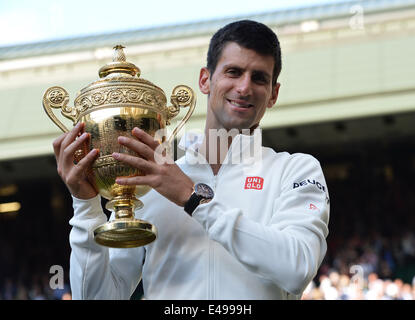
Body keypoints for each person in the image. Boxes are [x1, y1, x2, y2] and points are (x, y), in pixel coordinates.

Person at [53, 20, 330, 299]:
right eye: (233, 72)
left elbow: (297, 267)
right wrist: (86, 206)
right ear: (205, 80)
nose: (244, 87)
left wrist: (192, 198)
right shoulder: (149, 182)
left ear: (273, 94)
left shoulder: (295, 169)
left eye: (259, 78)